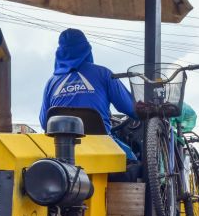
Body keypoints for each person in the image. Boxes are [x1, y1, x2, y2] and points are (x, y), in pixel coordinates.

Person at [39, 28, 137, 160]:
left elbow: (45, 122)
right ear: (87, 50)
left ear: (59, 53)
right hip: (101, 147)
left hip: (62, 152)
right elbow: (130, 108)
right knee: (133, 159)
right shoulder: (104, 74)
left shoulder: (51, 83)